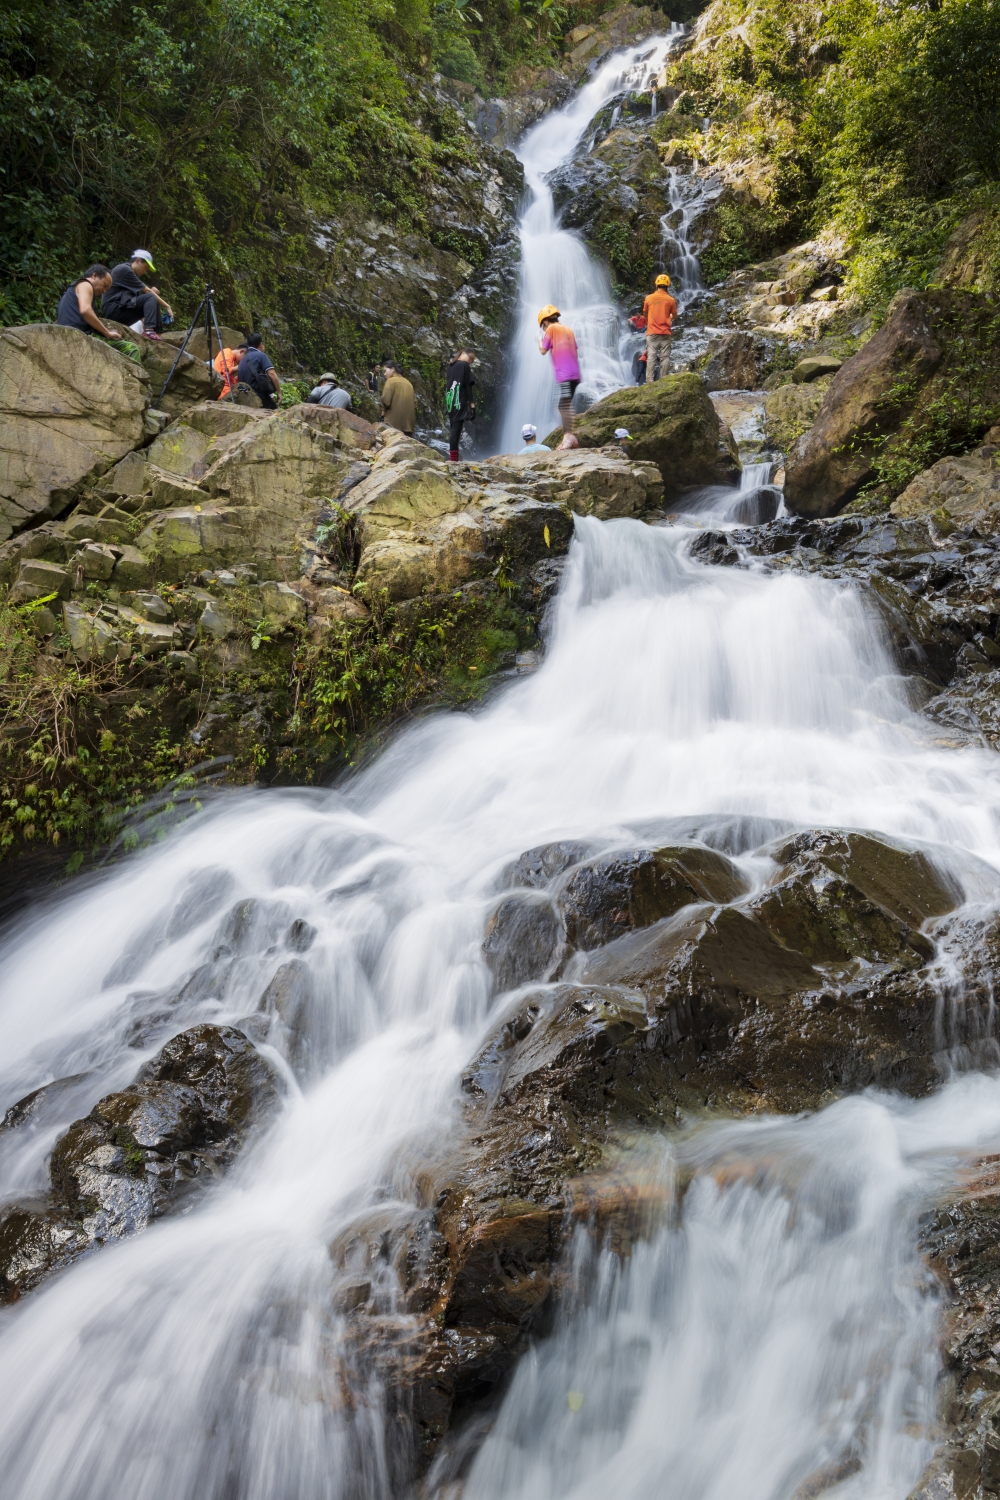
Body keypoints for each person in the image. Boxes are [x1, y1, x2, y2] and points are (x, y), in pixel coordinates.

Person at [100, 252, 172, 338]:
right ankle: (149, 331)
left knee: (153, 300)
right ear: (137, 260)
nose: (145, 272)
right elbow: (147, 292)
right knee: (151, 297)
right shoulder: (124, 269)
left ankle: (158, 335)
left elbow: (146, 297)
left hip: (122, 308)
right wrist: (167, 306)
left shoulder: (131, 276)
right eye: (145, 268)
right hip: (112, 310)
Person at [537, 305, 581, 448]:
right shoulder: (568, 330)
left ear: (545, 322)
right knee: (565, 405)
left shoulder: (551, 329)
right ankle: (570, 436)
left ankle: (569, 437)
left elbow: (543, 350)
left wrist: (539, 340)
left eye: (543, 327)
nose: (544, 330)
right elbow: (575, 350)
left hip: (565, 374)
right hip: (575, 374)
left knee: (563, 406)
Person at [55, 266, 122, 340]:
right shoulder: (85, 284)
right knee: (131, 348)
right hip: (76, 333)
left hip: (66, 332)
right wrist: (107, 332)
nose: (104, 291)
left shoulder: (72, 289)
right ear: (94, 276)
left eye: (107, 289)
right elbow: (85, 310)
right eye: (105, 285)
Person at [642, 274, 678, 382]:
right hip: (665, 333)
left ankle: (649, 381)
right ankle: (663, 380)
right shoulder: (671, 300)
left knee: (651, 357)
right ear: (667, 286)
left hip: (652, 333)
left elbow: (645, 314)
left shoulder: (648, 298)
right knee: (665, 357)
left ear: (656, 285)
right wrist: (669, 316)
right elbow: (675, 316)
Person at [445, 348, 476, 461]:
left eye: (472, 360)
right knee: (456, 431)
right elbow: (468, 387)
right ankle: (453, 459)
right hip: (459, 399)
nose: (470, 361)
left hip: (450, 399)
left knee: (454, 427)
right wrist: (472, 405)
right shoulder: (464, 366)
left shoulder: (451, 366)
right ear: (463, 353)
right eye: (471, 358)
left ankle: (453, 457)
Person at [238, 333, 281, 410]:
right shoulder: (261, 355)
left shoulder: (243, 359)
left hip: (245, 394)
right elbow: (272, 373)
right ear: (261, 344)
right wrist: (279, 392)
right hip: (259, 395)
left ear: (248, 345)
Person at [380, 360, 416, 435]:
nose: (384, 374)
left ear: (393, 369)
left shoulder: (390, 381)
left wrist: (383, 413)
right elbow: (415, 403)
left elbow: (386, 401)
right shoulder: (408, 383)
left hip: (393, 424)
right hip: (409, 425)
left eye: (385, 371)